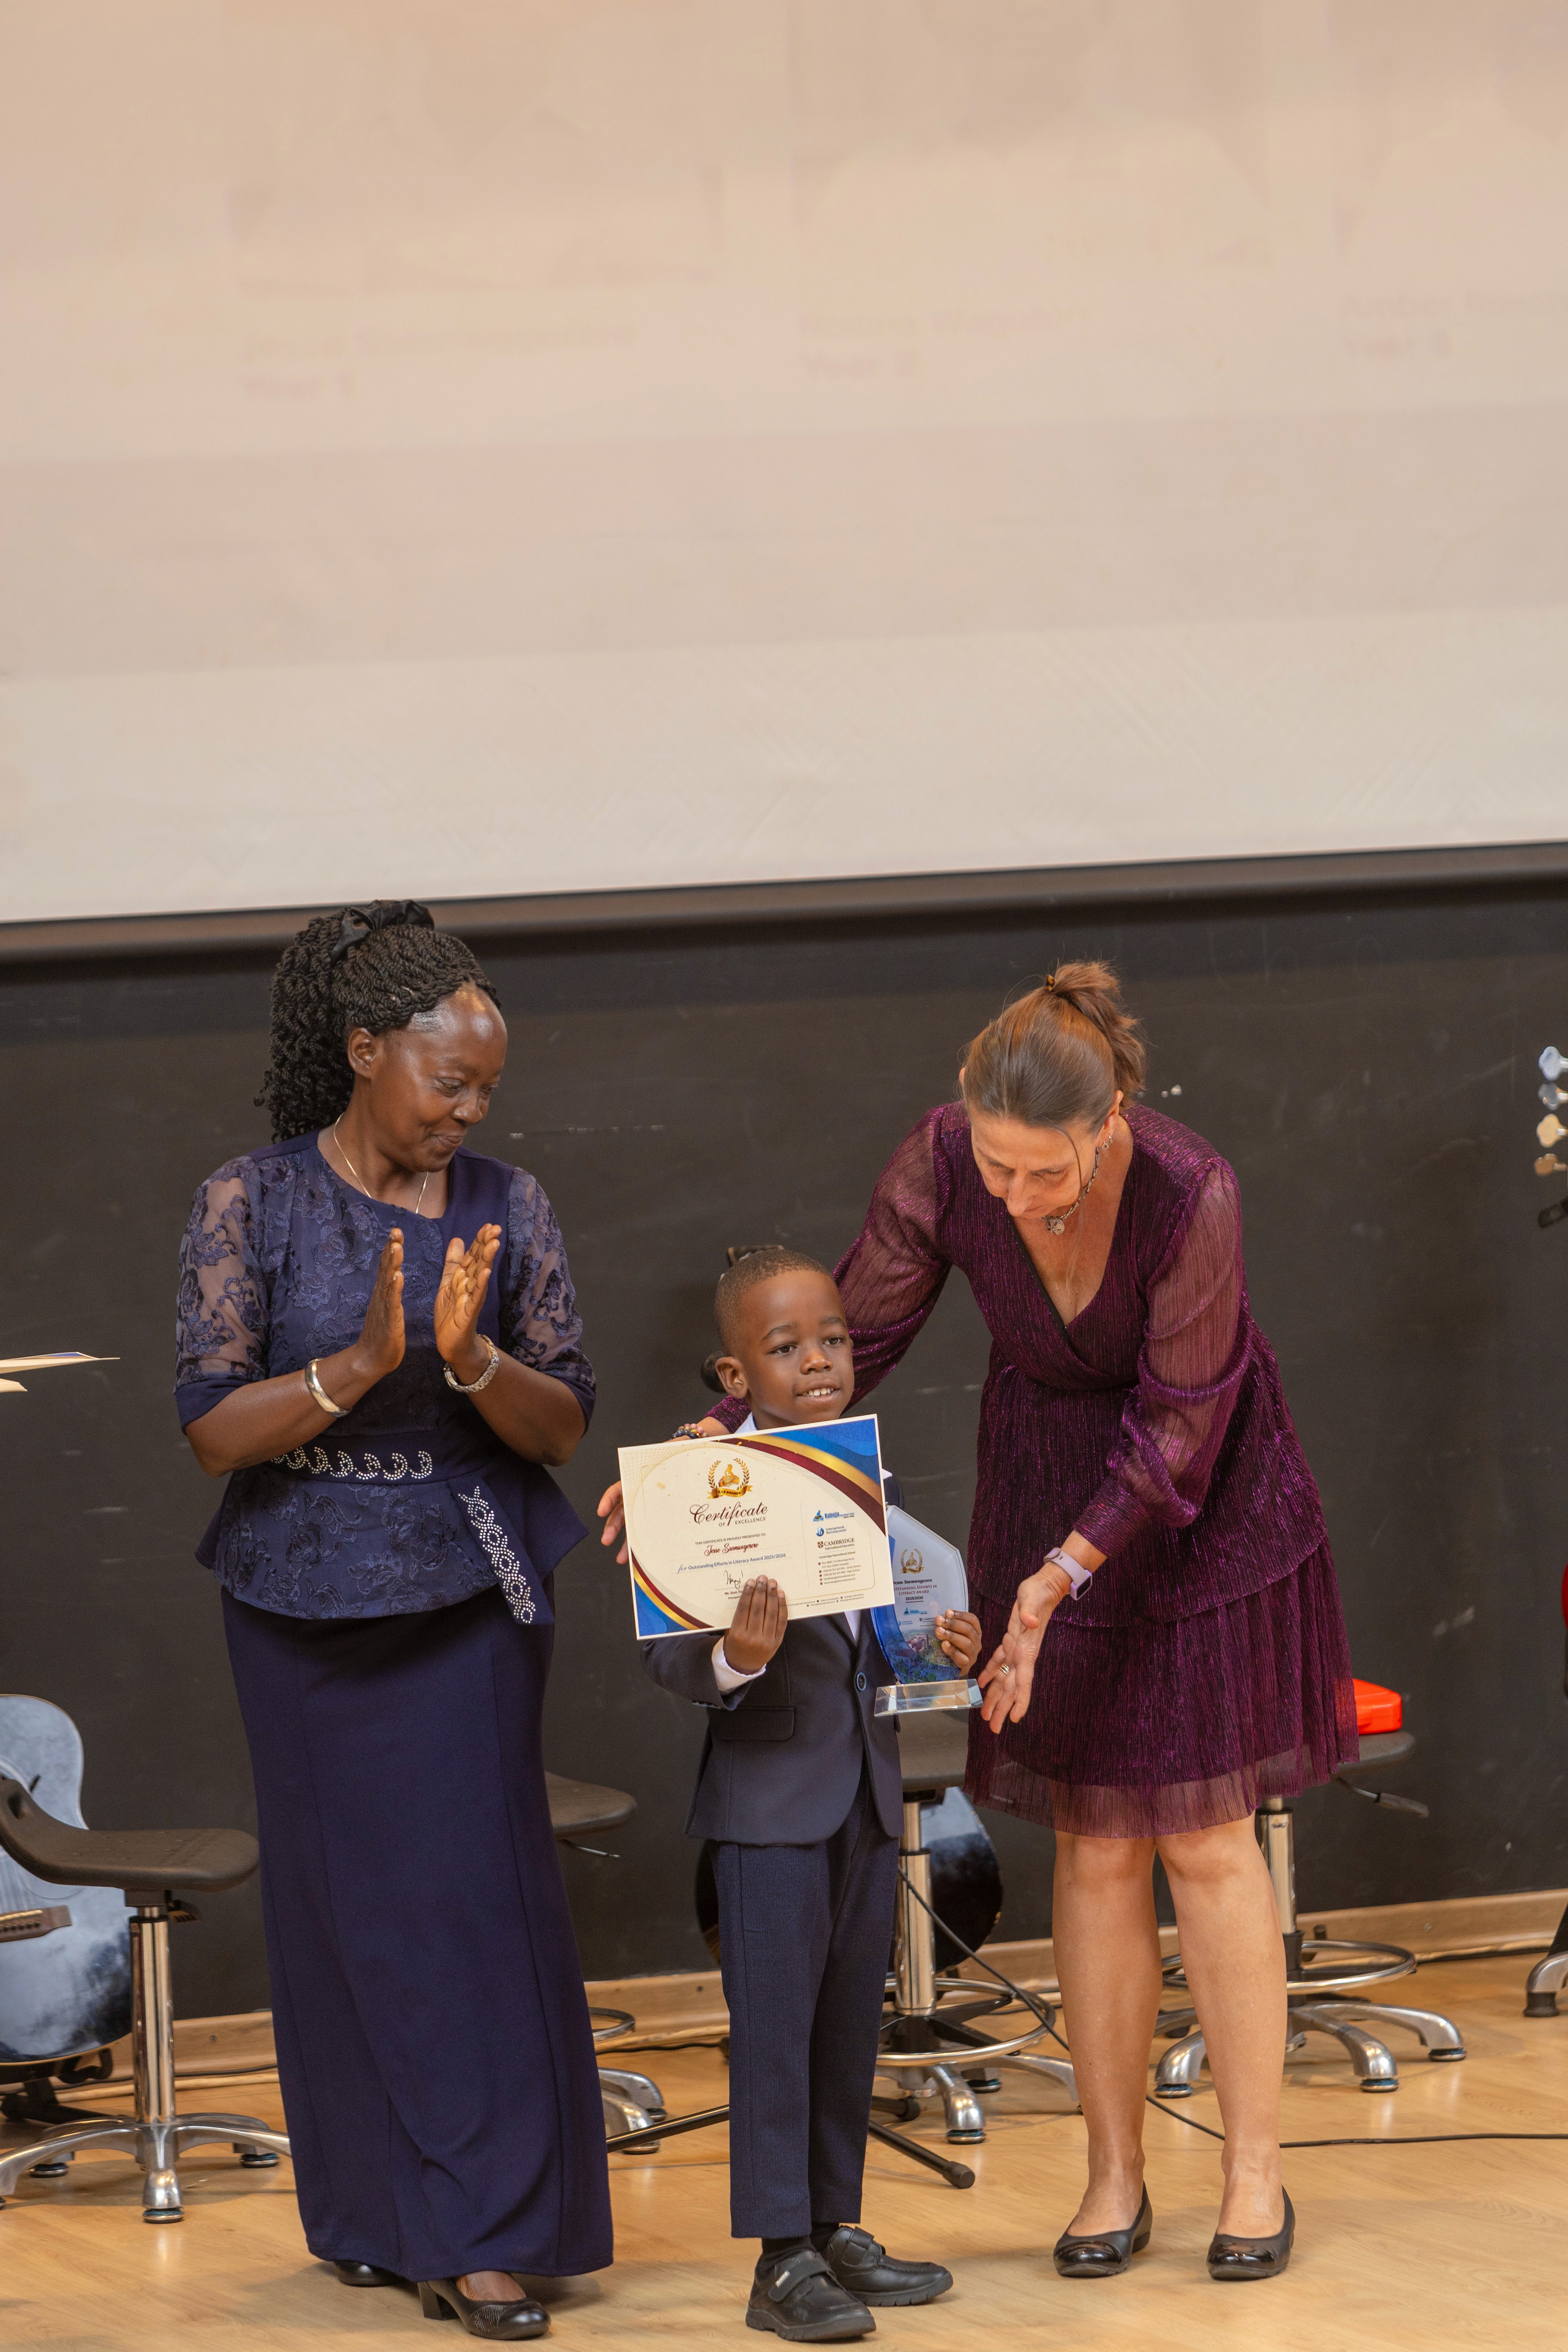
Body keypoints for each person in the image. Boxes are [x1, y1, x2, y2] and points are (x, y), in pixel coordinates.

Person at [695, 966, 1359, 2286]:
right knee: (1098, 1840)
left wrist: (1059, 1583)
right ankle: (1113, 2173)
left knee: (1207, 1837)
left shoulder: (1191, 1190)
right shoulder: (945, 1160)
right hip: (1043, 1478)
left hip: (1198, 1507)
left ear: (1108, 1125)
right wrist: (711, 1451)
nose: (1009, 1197)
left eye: (1040, 1173)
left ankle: (1253, 2173)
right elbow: (855, 1334)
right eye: (994, 1168)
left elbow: (1177, 1428)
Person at [176, 901, 611, 2343]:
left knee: (467, 1913)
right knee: (335, 1912)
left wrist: (472, 1359)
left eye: (488, 1087)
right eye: (450, 1082)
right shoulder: (249, 1201)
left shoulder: (510, 1203)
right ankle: (373, 2214)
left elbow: (560, 1426)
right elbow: (212, 1432)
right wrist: (359, 1365)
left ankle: (485, 2234)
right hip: (292, 1599)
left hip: (465, 1594)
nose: (471, 1111)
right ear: (366, 1051)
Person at [597, 1249, 980, 2342]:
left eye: (834, 1340)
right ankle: (779, 2259)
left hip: (865, 1793)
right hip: (766, 1807)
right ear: (735, 1375)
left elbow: (875, 1642)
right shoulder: (694, 1489)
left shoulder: (861, 1480)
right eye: (785, 1348)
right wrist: (739, 1655)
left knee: (847, 2024)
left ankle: (833, 2226)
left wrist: (940, 1648)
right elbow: (671, 1658)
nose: (818, 1362)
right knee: (773, 2033)